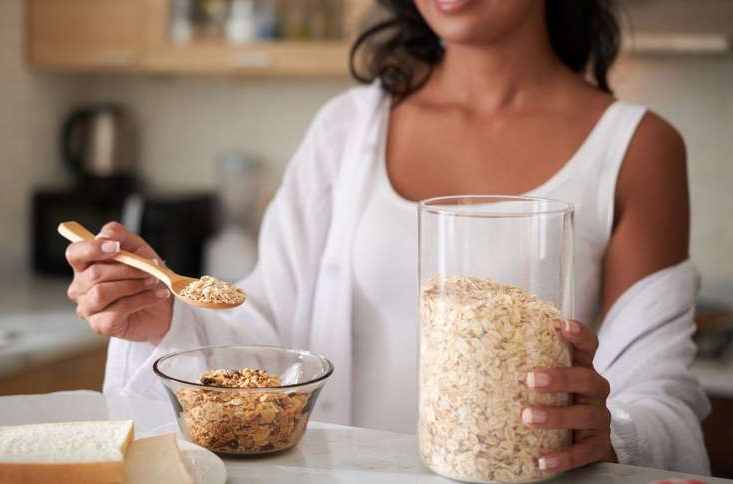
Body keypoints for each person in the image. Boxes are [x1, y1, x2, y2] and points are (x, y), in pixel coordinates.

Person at [64, 0, 710, 474]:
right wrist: (166, 319)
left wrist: (611, 431)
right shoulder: (349, 128)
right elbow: (269, 346)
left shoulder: (636, 149)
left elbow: (665, 408)